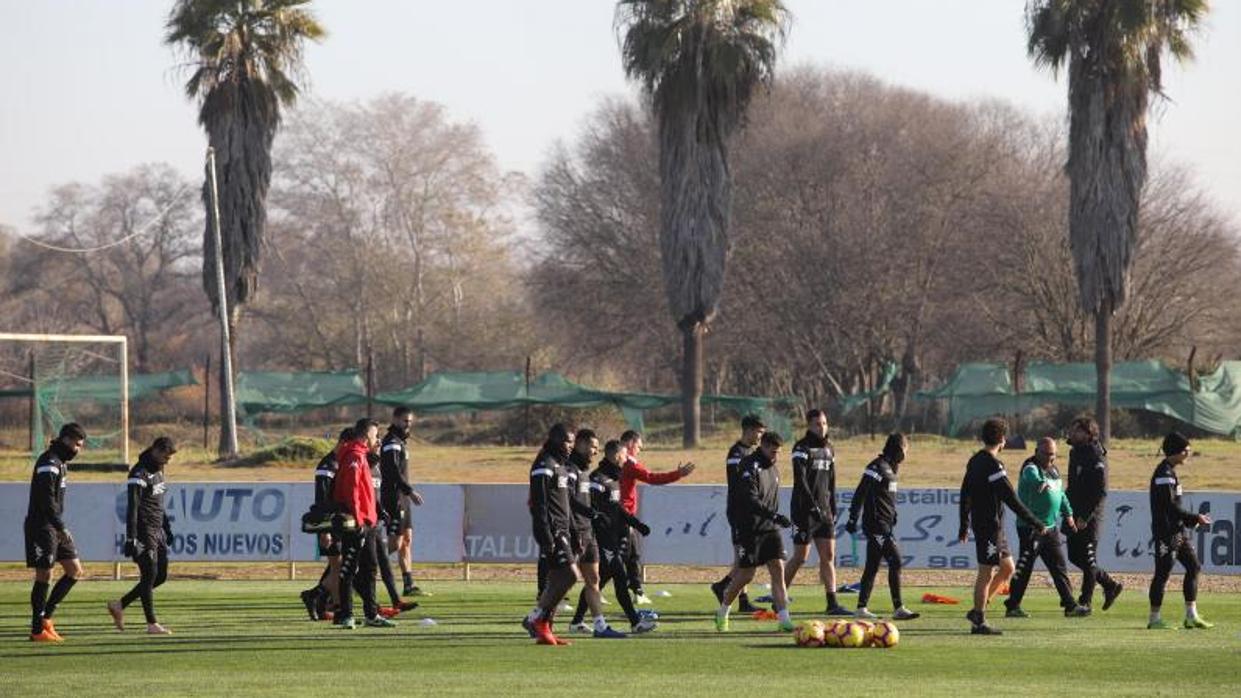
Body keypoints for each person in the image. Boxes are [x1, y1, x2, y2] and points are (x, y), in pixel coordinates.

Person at [958, 417, 1049, 635]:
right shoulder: (993, 465)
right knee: (986, 573)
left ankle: (978, 609)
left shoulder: (975, 460)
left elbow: (965, 493)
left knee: (1008, 568)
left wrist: (964, 523)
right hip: (989, 527)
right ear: (1002, 439)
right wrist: (1035, 522)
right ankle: (978, 621)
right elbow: (1011, 499)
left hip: (992, 528)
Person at [568, 440, 656, 634]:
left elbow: (616, 508)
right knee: (619, 576)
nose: (627, 460)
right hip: (601, 540)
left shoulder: (613, 479)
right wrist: (598, 531)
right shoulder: (596, 480)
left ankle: (576, 621)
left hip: (612, 539)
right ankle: (635, 621)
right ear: (617, 456)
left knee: (598, 581)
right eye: (625, 456)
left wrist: (636, 524)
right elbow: (590, 510)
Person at [715, 431, 794, 632]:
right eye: (773, 451)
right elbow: (750, 500)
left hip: (770, 528)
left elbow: (771, 499)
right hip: (749, 529)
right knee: (746, 575)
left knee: (778, 569)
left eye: (779, 453)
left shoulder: (773, 468)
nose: (776, 456)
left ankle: (784, 619)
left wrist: (774, 519)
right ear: (764, 446)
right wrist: (774, 516)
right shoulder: (748, 466)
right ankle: (723, 611)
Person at [1004, 437, 1090, 618]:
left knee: (1059, 567)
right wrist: (1039, 484)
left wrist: (1069, 515)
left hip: (1051, 528)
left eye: (1053, 455)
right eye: (1046, 454)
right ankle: (1013, 606)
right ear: (1037, 452)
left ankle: (1070, 605)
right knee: (1025, 567)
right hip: (1031, 528)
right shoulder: (1030, 467)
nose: (1050, 458)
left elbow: (1061, 495)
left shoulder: (1054, 470)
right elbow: (1030, 478)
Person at [107, 437, 178, 634]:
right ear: (155, 450)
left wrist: (167, 527)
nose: (167, 460)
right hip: (143, 530)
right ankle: (152, 624)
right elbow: (133, 508)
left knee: (160, 576)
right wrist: (131, 537)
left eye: (169, 457)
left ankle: (119, 604)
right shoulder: (138, 473)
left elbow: (159, 503)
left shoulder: (159, 470)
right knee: (149, 575)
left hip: (158, 531)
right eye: (165, 456)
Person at [846, 433, 919, 621]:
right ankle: (898, 608)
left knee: (872, 566)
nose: (906, 455)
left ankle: (861, 608)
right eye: (905, 450)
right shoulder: (876, 467)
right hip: (876, 525)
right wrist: (853, 518)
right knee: (895, 560)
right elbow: (860, 492)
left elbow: (886, 498)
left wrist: (893, 515)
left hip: (885, 524)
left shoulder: (890, 469)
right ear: (897, 449)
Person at [25, 423, 87, 643]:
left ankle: (46, 618)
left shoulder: (60, 463)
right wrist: (60, 527)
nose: (78, 450)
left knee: (74, 570)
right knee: (45, 575)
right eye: (77, 445)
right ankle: (36, 629)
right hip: (42, 526)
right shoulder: (49, 462)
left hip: (54, 525)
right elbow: (45, 500)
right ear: (67, 440)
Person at [563, 429, 628, 638]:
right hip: (573, 532)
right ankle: (539, 617)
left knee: (593, 579)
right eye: (592, 447)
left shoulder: (582, 471)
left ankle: (600, 626)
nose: (595, 451)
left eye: (597, 448)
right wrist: (587, 513)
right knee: (562, 581)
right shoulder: (568, 470)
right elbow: (566, 500)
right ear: (580, 444)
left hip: (587, 532)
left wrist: (592, 516)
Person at [786, 409, 851, 616]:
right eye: (816, 424)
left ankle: (832, 603)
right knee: (800, 557)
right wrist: (812, 506)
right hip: (804, 511)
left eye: (824, 423)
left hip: (824, 512)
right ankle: (779, 595)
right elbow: (801, 481)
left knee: (828, 555)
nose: (821, 427)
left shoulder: (830, 449)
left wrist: (831, 507)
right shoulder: (801, 448)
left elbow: (831, 482)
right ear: (808, 426)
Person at [333, 419, 397, 629]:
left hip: (368, 522)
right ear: (364, 435)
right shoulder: (354, 456)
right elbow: (351, 491)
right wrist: (359, 519)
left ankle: (371, 614)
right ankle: (346, 614)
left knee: (370, 568)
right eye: (374, 435)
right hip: (357, 523)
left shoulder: (362, 457)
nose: (377, 439)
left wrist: (376, 513)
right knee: (350, 568)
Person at [618, 430, 694, 604]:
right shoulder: (629, 463)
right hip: (623, 516)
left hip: (619, 514)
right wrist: (677, 474)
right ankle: (596, 592)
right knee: (623, 557)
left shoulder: (616, 461)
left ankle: (636, 590)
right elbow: (651, 478)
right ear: (630, 443)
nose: (639, 450)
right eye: (639, 446)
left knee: (630, 555)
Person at [1147, 432, 1213, 630]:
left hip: (1177, 532)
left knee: (1194, 566)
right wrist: (1194, 518)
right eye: (1186, 450)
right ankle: (1154, 619)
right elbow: (1169, 506)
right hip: (1167, 533)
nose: (1188, 453)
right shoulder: (1163, 474)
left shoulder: (1170, 472)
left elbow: (1173, 506)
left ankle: (1191, 616)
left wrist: (1188, 523)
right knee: (1163, 573)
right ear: (1176, 451)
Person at [522, 424, 579, 645]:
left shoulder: (561, 466)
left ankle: (543, 627)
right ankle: (539, 620)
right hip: (552, 530)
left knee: (556, 580)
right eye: (567, 441)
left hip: (563, 529)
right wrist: (545, 534)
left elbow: (566, 504)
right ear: (554, 440)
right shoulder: (543, 465)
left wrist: (574, 532)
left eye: (572, 441)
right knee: (570, 575)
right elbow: (539, 504)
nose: (570, 445)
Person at [1064, 417, 1123, 611]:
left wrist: (1086, 516)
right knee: (1074, 556)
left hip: (1090, 517)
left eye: (1076, 431)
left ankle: (1085, 601)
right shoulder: (1075, 453)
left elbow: (1100, 491)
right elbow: (1072, 486)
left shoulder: (1096, 455)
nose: (1072, 434)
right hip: (1073, 513)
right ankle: (1110, 585)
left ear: (1088, 434)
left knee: (1089, 559)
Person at [710, 415, 765, 613]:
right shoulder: (737, 453)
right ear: (748, 430)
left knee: (744, 558)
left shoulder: (753, 452)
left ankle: (742, 600)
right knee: (744, 559)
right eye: (759, 431)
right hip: (739, 512)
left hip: (749, 512)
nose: (761, 435)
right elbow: (739, 484)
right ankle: (722, 586)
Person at [300, 428, 349, 621]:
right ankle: (331, 604)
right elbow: (321, 500)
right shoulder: (328, 465)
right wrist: (324, 529)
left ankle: (324, 600)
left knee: (339, 567)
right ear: (344, 442)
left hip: (339, 522)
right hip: (329, 523)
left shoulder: (341, 463)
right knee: (338, 567)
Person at [379, 406, 426, 597]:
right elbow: (392, 471)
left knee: (407, 540)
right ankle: (363, 565)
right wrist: (410, 491)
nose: (408, 425)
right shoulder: (391, 442)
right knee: (395, 543)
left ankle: (408, 584)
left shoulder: (400, 442)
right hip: (394, 498)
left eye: (410, 421)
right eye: (405, 421)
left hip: (403, 498)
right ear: (395, 420)